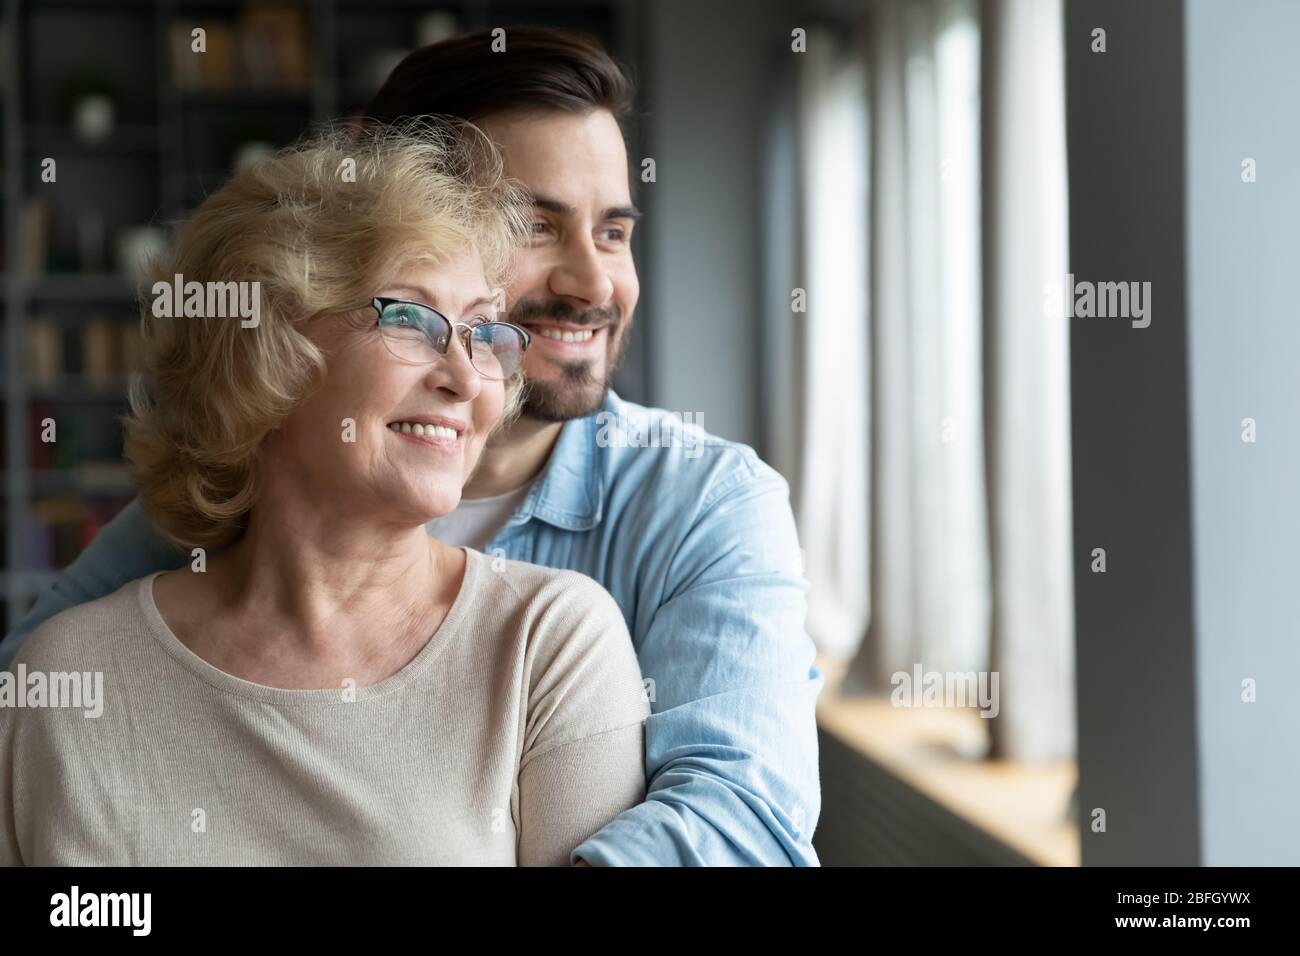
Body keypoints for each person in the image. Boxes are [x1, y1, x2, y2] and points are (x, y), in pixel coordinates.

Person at [1, 27, 823, 866]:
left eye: (614, 233)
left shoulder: (694, 509)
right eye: (534, 225)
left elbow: (742, 817)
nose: (592, 283)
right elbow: (51, 716)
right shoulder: (216, 516)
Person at [0, 123, 649, 866]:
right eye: (408, 317)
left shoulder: (547, 644)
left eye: (481, 332)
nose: (468, 380)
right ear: (262, 350)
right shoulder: (64, 676)